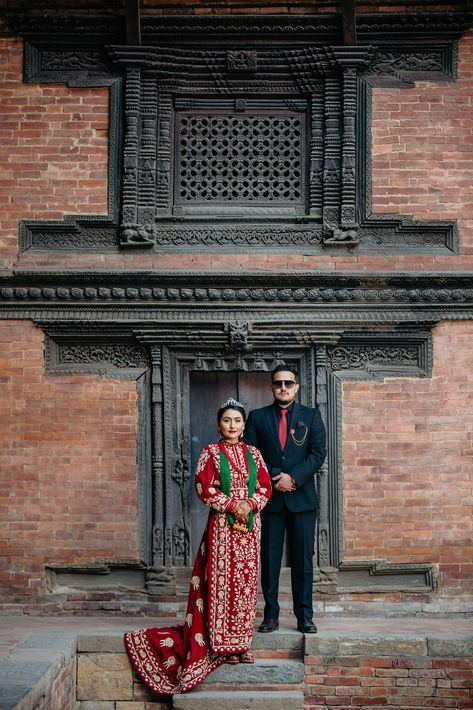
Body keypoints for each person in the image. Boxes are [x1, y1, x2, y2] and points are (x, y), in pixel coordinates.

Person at [124, 398, 271, 694]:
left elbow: (265, 487)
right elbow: (204, 487)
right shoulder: (211, 453)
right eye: (227, 420)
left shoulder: (254, 454)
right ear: (219, 423)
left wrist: (250, 504)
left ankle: (241, 645)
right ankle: (220, 646)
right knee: (221, 583)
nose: (232, 425)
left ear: (244, 425)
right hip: (222, 527)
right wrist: (232, 505)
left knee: (244, 585)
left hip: (250, 528)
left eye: (237, 421)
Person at [244, 364, 326, 634]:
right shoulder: (257, 417)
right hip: (270, 501)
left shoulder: (311, 416)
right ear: (271, 387)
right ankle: (270, 616)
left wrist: (294, 478)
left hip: (302, 500)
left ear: (296, 387)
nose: (283, 387)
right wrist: (277, 478)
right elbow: (251, 457)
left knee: (303, 560)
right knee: (269, 560)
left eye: (288, 383)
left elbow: (317, 453)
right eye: (278, 383)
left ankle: (304, 616)